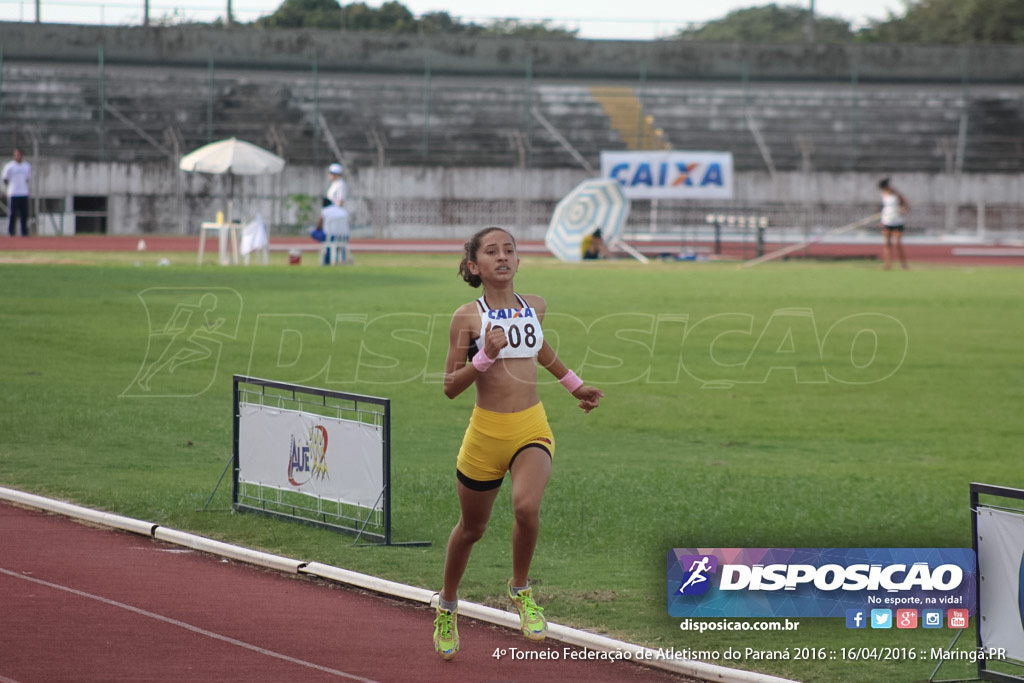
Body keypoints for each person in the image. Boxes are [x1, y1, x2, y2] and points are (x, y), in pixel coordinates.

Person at [432, 226, 604, 661]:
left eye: (509, 249)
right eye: (491, 252)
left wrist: (574, 385)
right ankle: (447, 604)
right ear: (475, 266)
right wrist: (483, 356)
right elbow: (450, 386)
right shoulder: (466, 317)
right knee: (472, 529)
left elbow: (539, 350)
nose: (503, 257)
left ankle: (521, 589)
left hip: (531, 427)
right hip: (485, 434)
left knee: (527, 507)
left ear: (518, 261)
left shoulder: (536, 307)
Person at [878, 178, 909, 270]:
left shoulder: (897, 194)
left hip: (897, 221)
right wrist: (882, 219)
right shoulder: (883, 195)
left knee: (897, 243)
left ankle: (904, 265)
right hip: (887, 220)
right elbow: (884, 208)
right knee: (887, 243)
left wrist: (902, 210)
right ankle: (888, 264)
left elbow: (906, 205)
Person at [2, 148, 31, 236]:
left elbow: (27, 179)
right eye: (16, 155)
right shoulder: (10, 166)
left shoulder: (26, 166)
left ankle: (24, 232)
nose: (17, 156)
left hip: (23, 193)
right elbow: (5, 178)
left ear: (21, 155)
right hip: (13, 193)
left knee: (24, 214)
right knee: (12, 213)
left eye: (19, 154)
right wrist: (9, 188)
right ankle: (11, 232)